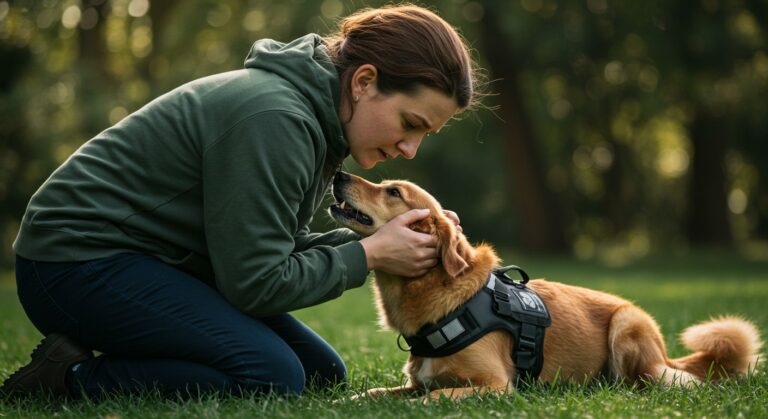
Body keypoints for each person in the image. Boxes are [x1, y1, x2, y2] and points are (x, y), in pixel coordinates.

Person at [1, 4, 478, 400]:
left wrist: (388, 239)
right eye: (410, 123)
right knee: (270, 376)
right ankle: (66, 378)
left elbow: (271, 244)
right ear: (363, 81)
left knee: (321, 374)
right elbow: (256, 283)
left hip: (157, 262)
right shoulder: (276, 120)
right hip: (73, 262)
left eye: (425, 135)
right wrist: (369, 254)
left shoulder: (316, 123)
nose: (410, 149)